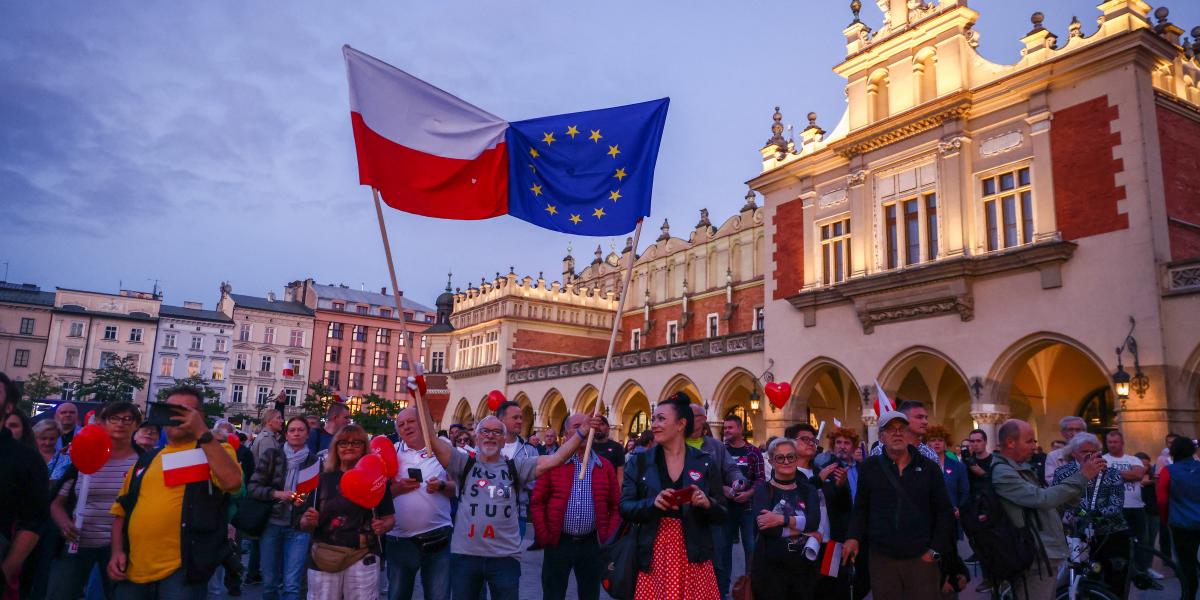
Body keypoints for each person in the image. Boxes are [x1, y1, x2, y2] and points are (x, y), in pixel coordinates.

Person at [420, 404, 601, 600]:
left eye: (497, 432)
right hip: (465, 556)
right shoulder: (463, 463)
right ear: (477, 437)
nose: (490, 435)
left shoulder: (517, 467)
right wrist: (420, 394)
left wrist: (582, 431)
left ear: (503, 439)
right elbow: (430, 437)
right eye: (485, 431)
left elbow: (557, 457)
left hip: (504, 558)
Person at [107, 385, 244, 599]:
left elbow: (232, 482)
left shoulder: (214, 450)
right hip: (134, 570)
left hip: (182, 571)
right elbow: (121, 511)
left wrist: (203, 433)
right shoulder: (147, 458)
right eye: (172, 410)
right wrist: (116, 551)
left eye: (186, 412)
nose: (178, 417)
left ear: (200, 417)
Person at [620, 394, 724, 600]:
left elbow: (722, 514)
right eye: (653, 419)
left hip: (695, 556)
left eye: (661, 419)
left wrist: (707, 503)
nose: (654, 425)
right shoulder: (638, 462)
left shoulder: (705, 462)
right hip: (652, 554)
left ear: (681, 424)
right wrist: (653, 504)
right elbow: (624, 507)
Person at [843, 411, 954, 600]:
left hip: (921, 558)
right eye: (890, 429)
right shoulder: (870, 467)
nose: (897, 433)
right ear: (881, 436)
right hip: (882, 558)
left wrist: (934, 550)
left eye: (902, 428)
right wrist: (853, 537)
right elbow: (861, 507)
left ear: (908, 433)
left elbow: (944, 512)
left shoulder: (929, 468)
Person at [991, 419, 1102, 600]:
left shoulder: (1021, 468)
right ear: (1010, 442)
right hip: (1033, 554)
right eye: (1029, 441)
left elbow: (1049, 504)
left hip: (1041, 553)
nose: (1034, 446)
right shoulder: (1003, 472)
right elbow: (1042, 499)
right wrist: (1082, 476)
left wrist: (1074, 493)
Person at [46, 402, 142, 600]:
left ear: (136, 425)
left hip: (124, 547)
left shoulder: (144, 461)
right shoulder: (86, 454)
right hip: (79, 542)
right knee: (61, 593)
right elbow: (57, 502)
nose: (120, 424)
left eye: (127, 419)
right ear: (103, 423)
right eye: (114, 419)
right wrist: (65, 524)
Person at [530, 413, 621, 600]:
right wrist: (545, 535)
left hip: (591, 544)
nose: (586, 429)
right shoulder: (553, 464)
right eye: (579, 425)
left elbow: (615, 505)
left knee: (589, 594)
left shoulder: (604, 467)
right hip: (559, 542)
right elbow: (537, 502)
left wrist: (607, 537)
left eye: (588, 425)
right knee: (553, 593)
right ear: (566, 434)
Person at [299, 425, 395, 599]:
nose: (349, 447)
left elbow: (390, 519)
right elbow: (304, 522)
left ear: (364, 447)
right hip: (325, 557)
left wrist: (383, 526)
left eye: (356, 443)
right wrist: (308, 521)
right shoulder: (321, 479)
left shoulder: (377, 477)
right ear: (335, 448)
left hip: (363, 556)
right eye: (343, 443)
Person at [385, 408, 455, 600]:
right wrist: (397, 488)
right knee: (398, 595)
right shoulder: (391, 451)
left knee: (438, 596)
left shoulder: (443, 448)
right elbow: (378, 495)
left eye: (411, 421)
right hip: (400, 540)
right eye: (401, 424)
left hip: (438, 537)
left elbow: (458, 488)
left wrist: (442, 486)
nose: (406, 427)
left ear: (423, 423)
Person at [248, 416, 318, 600]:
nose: (296, 433)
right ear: (286, 434)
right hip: (271, 523)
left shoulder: (314, 461)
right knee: (270, 583)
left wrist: (304, 503)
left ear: (307, 434)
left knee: (292, 584)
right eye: (292, 430)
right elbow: (253, 487)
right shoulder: (272, 455)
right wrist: (277, 494)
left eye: (300, 430)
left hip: (298, 527)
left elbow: (317, 495)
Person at [1052, 433, 1131, 595]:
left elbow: (1116, 506)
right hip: (1077, 535)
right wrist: (1080, 515)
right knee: (1082, 580)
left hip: (1110, 532)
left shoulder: (1111, 473)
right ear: (1074, 453)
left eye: (1093, 451)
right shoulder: (1062, 473)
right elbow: (1058, 500)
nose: (1089, 455)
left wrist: (1092, 515)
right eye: (1083, 451)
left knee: (1116, 581)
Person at [749, 437, 822, 599]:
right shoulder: (763, 490)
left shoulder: (808, 490)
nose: (786, 461)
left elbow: (814, 522)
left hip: (804, 571)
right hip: (770, 571)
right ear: (771, 461)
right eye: (780, 457)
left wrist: (782, 520)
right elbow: (766, 528)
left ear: (796, 459)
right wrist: (804, 531)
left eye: (791, 456)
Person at [687, 401, 746, 598]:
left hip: (713, 511)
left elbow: (731, 469)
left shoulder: (715, 446)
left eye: (692, 415)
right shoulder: (676, 442)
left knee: (717, 560)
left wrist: (738, 481)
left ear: (703, 420)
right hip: (686, 513)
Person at [0, 406, 50, 600]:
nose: (8, 430)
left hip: (18, 537)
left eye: (14, 425)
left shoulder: (30, 461)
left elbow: (36, 516)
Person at [815, 426, 867, 600]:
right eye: (838, 442)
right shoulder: (826, 470)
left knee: (862, 578)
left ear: (854, 447)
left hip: (861, 531)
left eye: (847, 443)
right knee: (835, 579)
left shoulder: (863, 469)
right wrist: (839, 486)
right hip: (836, 534)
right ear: (833, 445)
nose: (842, 446)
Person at [1102, 429, 1151, 580]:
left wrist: (1111, 473)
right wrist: (1128, 475)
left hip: (1136, 507)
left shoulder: (1133, 459)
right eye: (1109, 442)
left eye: (1115, 442)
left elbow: (1138, 474)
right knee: (1118, 541)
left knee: (1142, 539)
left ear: (1122, 443)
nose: (1112, 445)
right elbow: (1132, 475)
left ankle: (1142, 570)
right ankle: (1122, 570)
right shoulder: (1103, 459)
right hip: (1114, 508)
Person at [722, 414, 765, 585]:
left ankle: (749, 586)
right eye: (725, 428)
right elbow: (714, 476)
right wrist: (723, 489)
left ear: (740, 429)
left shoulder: (753, 452)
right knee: (724, 549)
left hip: (748, 508)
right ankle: (724, 589)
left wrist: (749, 493)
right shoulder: (721, 450)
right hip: (725, 508)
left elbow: (761, 478)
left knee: (750, 548)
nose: (726, 431)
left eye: (730, 428)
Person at [1156, 435, 1200, 600]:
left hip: (1182, 524)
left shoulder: (1168, 471)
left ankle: (1189, 596)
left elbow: (1161, 499)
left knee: (1187, 565)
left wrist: (1165, 518)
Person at [494, 400, 541, 540]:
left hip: (517, 515)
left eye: (521, 417)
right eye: (515, 417)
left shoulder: (529, 451)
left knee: (511, 559)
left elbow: (536, 482)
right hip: (489, 513)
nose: (520, 421)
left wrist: (515, 475)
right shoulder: (488, 448)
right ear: (501, 420)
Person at [868, 400, 939, 462]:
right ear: (904, 419)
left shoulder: (930, 453)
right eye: (919, 417)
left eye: (926, 418)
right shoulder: (881, 451)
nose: (925, 422)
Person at [926, 425, 969, 514]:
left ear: (946, 443)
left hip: (952, 515)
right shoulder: (921, 466)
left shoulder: (958, 466)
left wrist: (959, 509)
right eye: (933, 440)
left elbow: (964, 492)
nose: (937, 443)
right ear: (927, 443)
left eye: (940, 440)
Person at [1043, 416, 1088, 485]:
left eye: (1078, 430)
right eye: (1070, 430)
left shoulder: (1093, 452)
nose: (1074, 434)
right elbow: (1051, 481)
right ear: (1063, 433)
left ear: (1085, 432)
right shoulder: (1053, 456)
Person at [590, 414, 626, 479]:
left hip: (610, 485)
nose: (598, 427)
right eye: (596, 424)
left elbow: (620, 473)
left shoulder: (617, 447)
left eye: (601, 424)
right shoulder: (587, 447)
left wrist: (618, 488)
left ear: (608, 428)